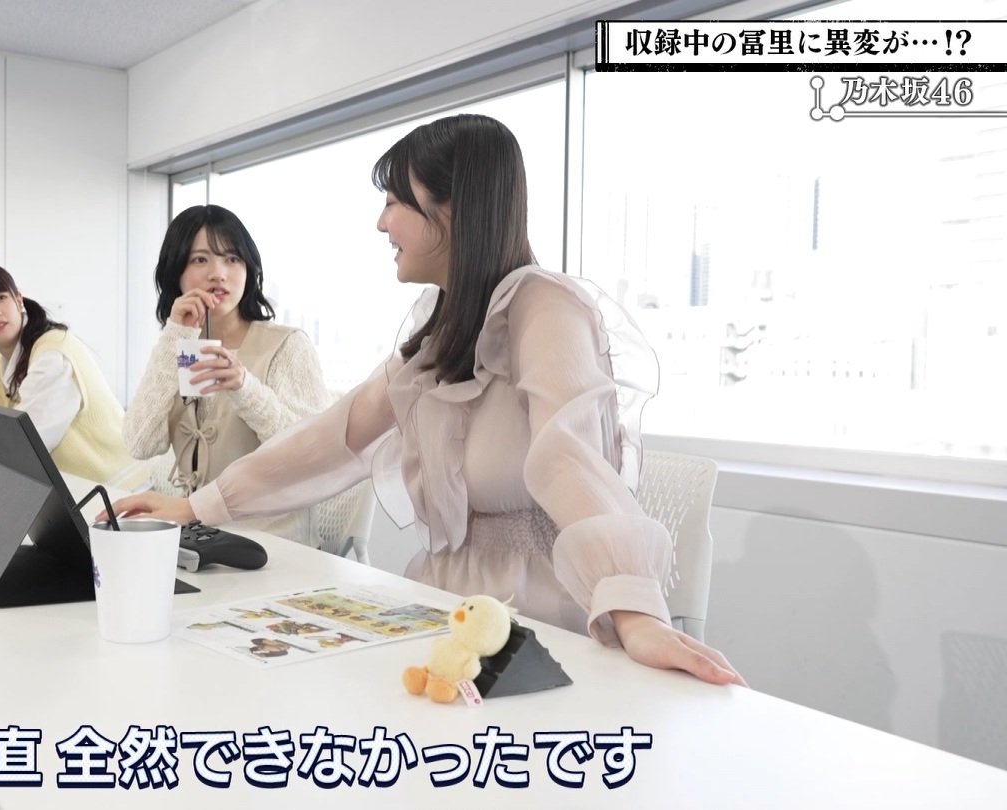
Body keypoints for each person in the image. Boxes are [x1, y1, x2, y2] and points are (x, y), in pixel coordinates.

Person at [106, 115, 745, 686]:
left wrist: (635, 613)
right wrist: (197, 506)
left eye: (394, 202)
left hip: (537, 618)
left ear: (451, 210)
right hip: (449, 603)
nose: (381, 222)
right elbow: (336, 436)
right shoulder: (441, 331)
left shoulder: (545, 309)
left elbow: (567, 458)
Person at [121, 204, 343, 546]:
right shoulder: (176, 347)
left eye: (232, 259)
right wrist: (173, 336)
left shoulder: (287, 346)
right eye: (200, 260)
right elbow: (140, 443)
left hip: (273, 545)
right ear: (175, 270)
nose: (218, 273)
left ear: (249, 269)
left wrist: (245, 387)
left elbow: (314, 456)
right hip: (196, 540)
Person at [0, 262, 148, 491]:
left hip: (121, 493)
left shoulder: (53, 355)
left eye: (0, 298)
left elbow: (21, 451)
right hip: (81, 497)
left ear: (18, 299)